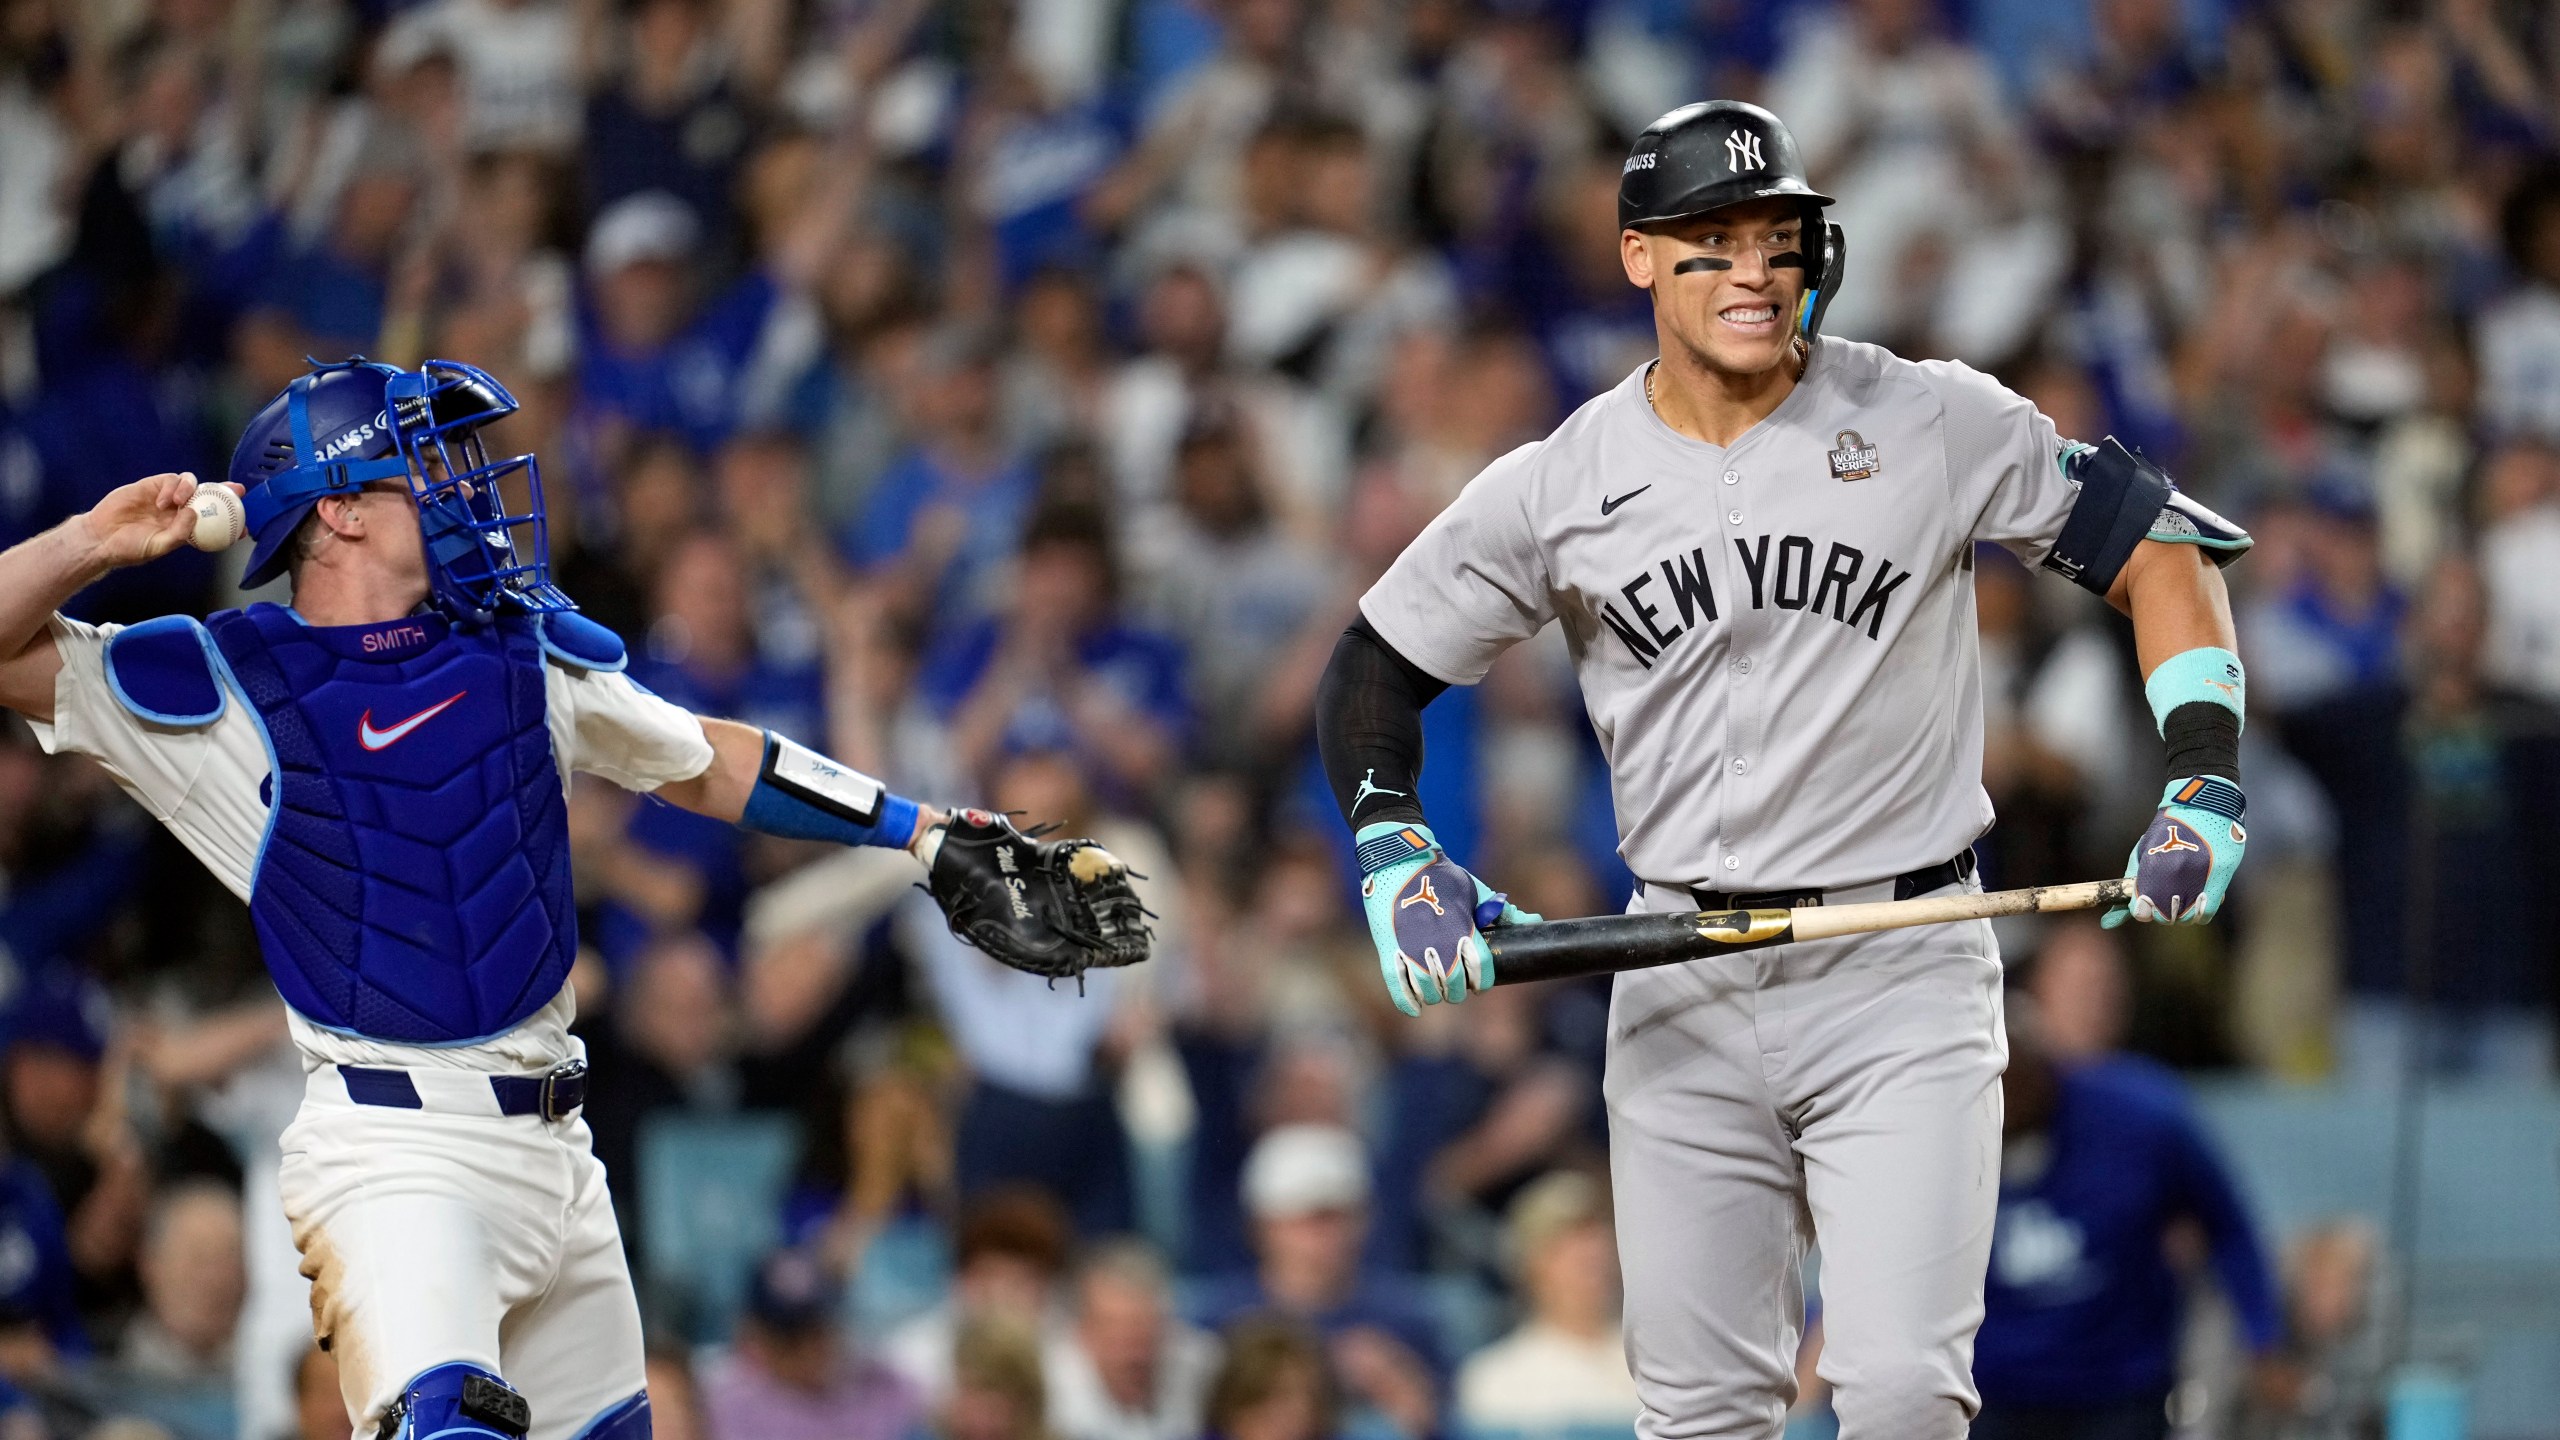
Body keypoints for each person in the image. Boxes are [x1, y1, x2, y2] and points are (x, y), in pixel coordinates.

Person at [1313, 100, 2253, 1437]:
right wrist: (1394, 844)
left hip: (1905, 958)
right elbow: (1373, 667)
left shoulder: (1928, 416)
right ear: (1639, 256)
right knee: (1699, 1414)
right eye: (1713, 240)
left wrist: (2203, 775)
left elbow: (2163, 548)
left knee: (1899, 1394)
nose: (1753, 270)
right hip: (1679, 966)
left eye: (1778, 237)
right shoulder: (1562, 479)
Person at [0, 357, 1139, 1438]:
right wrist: (90, 543)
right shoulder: (221, 679)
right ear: (336, 510)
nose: (461, 488)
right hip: (395, 1151)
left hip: (559, 1145)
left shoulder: (516, 645)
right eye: (421, 465)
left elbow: (708, 757)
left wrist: (921, 830)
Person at [1971, 1007, 2281, 1438]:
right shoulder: (1944, 1130)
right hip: (1991, 1393)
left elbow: (2227, 1223)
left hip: (2120, 1390)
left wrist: (2263, 1336)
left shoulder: (2143, 1119)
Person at [1454, 1171, 1638, 1433]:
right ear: (1531, 1265)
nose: (1591, 1259)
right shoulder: (1495, 1378)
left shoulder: (1655, 1364)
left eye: (1597, 1242)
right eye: (1567, 1247)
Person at [700, 1249, 921, 1440]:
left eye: (818, 1330)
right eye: (791, 1338)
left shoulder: (882, 1385)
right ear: (756, 1337)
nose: (810, 1350)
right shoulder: (726, 1407)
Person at [1048, 1239, 1221, 1440]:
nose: (1134, 1355)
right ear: (1081, 1333)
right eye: (1117, 1336)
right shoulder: (1045, 1390)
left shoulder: (1208, 1368)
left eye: (1145, 1334)